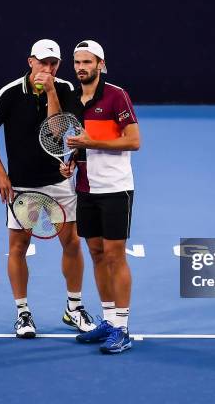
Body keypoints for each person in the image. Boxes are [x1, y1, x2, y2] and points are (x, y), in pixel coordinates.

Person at [0, 39, 95, 338]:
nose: (47, 68)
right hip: (21, 185)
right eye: (42, 62)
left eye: (53, 64)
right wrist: (0, 173)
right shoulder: (9, 93)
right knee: (18, 248)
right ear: (30, 61)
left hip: (58, 183)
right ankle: (23, 314)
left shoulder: (67, 89)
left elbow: (56, 131)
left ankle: (74, 308)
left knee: (72, 243)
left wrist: (52, 90)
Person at [62, 40, 140, 354]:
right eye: (77, 62)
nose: (81, 68)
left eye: (87, 62)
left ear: (100, 64)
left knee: (114, 255)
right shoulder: (72, 98)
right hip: (85, 188)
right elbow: (78, 143)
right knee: (95, 253)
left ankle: (122, 328)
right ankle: (107, 321)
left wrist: (92, 142)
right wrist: (71, 159)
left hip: (115, 188)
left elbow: (134, 141)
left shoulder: (116, 95)